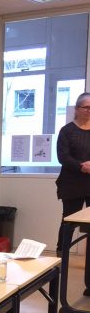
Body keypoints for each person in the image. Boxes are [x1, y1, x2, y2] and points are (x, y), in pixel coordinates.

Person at [56, 92, 90, 295]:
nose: (89, 111)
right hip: (72, 183)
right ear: (77, 109)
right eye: (86, 107)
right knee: (68, 222)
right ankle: (61, 258)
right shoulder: (67, 131)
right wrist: (81, 167)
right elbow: (63, 156)